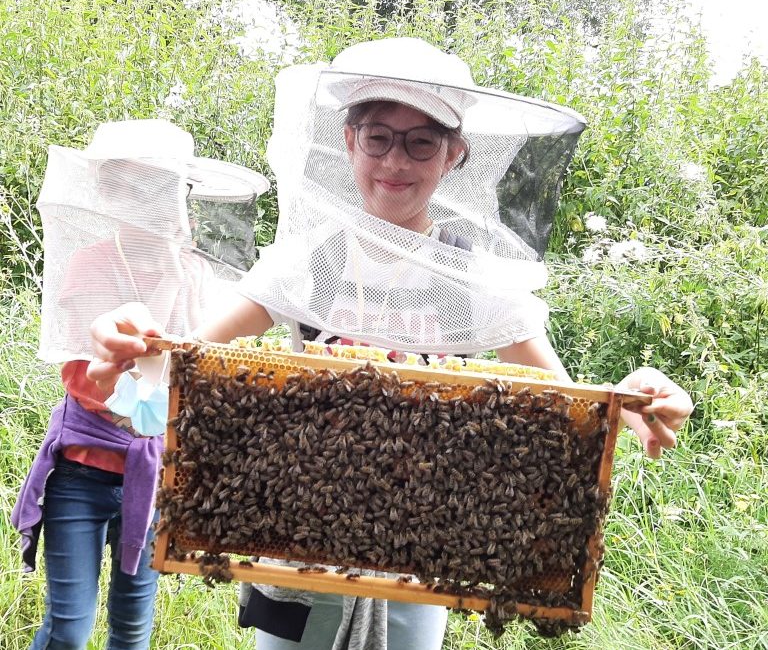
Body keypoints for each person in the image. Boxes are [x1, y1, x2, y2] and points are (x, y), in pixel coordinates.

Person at [87, 40, 693, 650]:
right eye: (378, 136)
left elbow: (568, 408)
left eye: (421, 142)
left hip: (419, 556)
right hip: (298, 547)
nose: (395, 161)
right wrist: (131, 345)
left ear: (455, 155)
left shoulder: (475, 278)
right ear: (349, 141)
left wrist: (635, 406)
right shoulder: (306, 262)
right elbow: (185, 358)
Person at [12, 119, 268, 649]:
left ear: (181, 194)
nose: (144, 201)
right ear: (107, 191)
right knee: (70, 626)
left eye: (156, 187)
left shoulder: (196, 273)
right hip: (80, 476)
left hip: (152, 479)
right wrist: (120, 367)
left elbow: (201, 368)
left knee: (131, 629)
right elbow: (85, 375)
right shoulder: (90, 263)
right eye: (128, 185)